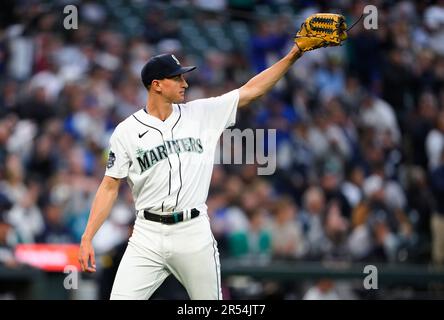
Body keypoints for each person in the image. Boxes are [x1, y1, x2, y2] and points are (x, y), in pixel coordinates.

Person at [78, 15, 347, 300]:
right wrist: (87, 237)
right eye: (177, 77)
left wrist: (294, 54)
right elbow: (109, 187)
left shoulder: (201, 113)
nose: (185, 83)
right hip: (147, 233)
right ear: (156, 85)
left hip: (193, 231)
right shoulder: (127, 131)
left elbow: (251, 90)